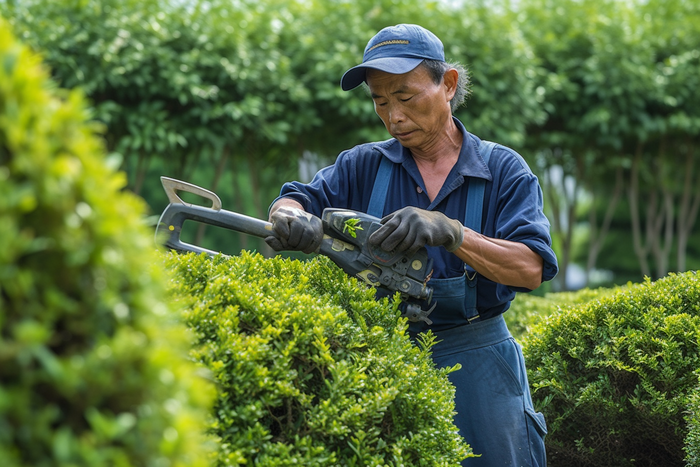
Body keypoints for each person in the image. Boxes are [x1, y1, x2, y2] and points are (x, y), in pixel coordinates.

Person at [266, 23, 558, 467]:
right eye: (379, 101)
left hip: (479, 363)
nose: (393, 116)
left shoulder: (503, 170)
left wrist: (453, 232)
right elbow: (293, 199)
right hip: (381, 356)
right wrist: (290, 217)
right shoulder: (362, 164)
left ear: (449, 84)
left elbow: (530, 268)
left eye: (405, 97)